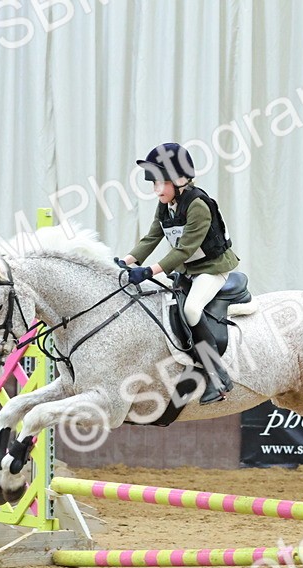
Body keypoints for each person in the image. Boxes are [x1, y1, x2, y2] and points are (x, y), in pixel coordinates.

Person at [121, 142, 239, 404]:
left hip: (212, 269)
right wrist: (126, 261)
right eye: (153, 184)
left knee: (192, 310)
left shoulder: (198, 205)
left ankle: (218, 375)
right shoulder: (166, 205)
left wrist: (149, 270)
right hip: (188, 271)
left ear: (179, 179)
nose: (156, 190)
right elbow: (152, 236)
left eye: (160, 183)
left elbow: (184, 250)